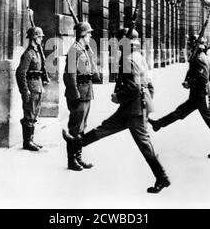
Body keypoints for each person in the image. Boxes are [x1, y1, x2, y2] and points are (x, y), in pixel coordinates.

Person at [63, 28, 170, 193]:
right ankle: (75, 142)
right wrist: (147, 104)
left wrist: (118, 97)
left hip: (133, 110)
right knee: (104, 128)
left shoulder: (128, 59)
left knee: (144, 144)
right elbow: (149, 84)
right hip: (133, 107)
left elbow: (134, 87)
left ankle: (162, 177)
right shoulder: (138, 56)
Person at [148, 35, 210, 159]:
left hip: (201, 96)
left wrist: (189, 83)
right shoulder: (197, 57)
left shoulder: (199, 58)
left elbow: (203, 78)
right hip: (196, 96)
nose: (188, 47)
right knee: (180, 112)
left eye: (190, 45)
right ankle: (158, 124)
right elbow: (201, 73)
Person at [63, 21, 101, 171]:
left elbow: (90, 68)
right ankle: (71, 161)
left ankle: (78, 158)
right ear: (83, 35)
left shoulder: (84, 49)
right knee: (75, 129)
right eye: (89, 33)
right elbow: (70, 75)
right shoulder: (74, 50)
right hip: (78, 93)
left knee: (82, 128)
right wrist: (75, 94)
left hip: (86, 92)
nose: (91, 35)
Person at [15, 26, 49, 151]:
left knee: (34, 115)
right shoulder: (28, 54)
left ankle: (31, 139)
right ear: (34, 37)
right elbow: (20, 73)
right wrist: (25, 91)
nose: (41, 39)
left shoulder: (37, 52)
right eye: (39, 37)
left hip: (38, 86)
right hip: (31, 87)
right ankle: (27, 142)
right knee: (29, 115)